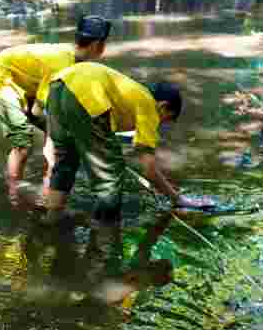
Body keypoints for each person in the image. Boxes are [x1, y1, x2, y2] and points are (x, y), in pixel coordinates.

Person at [31, 61, 202, 224]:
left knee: (66, 161)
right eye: (165, 119)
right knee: (111, 172)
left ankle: (52, 217)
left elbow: (98, 134)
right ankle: (105, 230)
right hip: (86, 91)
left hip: (57, 86)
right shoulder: (149, 106)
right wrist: (177, 199)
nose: (160, 124)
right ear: (163, 106)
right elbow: (149, 169)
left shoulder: (132, 94)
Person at [0, 15, 111, 190]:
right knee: (23, 143)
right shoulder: (63, 65)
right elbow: (38, 110)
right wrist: (51, 142)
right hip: (0, 82)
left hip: (24, 82)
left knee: (62, 137)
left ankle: (48, 186)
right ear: (98, 45)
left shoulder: (74, 60)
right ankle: (14, 192)